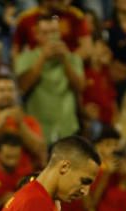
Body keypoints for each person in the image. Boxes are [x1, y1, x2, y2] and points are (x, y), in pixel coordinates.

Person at [15, 15, 85, 144]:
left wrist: (65, 60)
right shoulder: (25, 58)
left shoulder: (73, 58)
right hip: (39, 130)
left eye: (54, 32)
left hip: (67, 128)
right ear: (37, 35)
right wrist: (42, 58)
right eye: (45, 33)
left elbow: (79, 87)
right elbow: (22, 87)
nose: (51, 37)